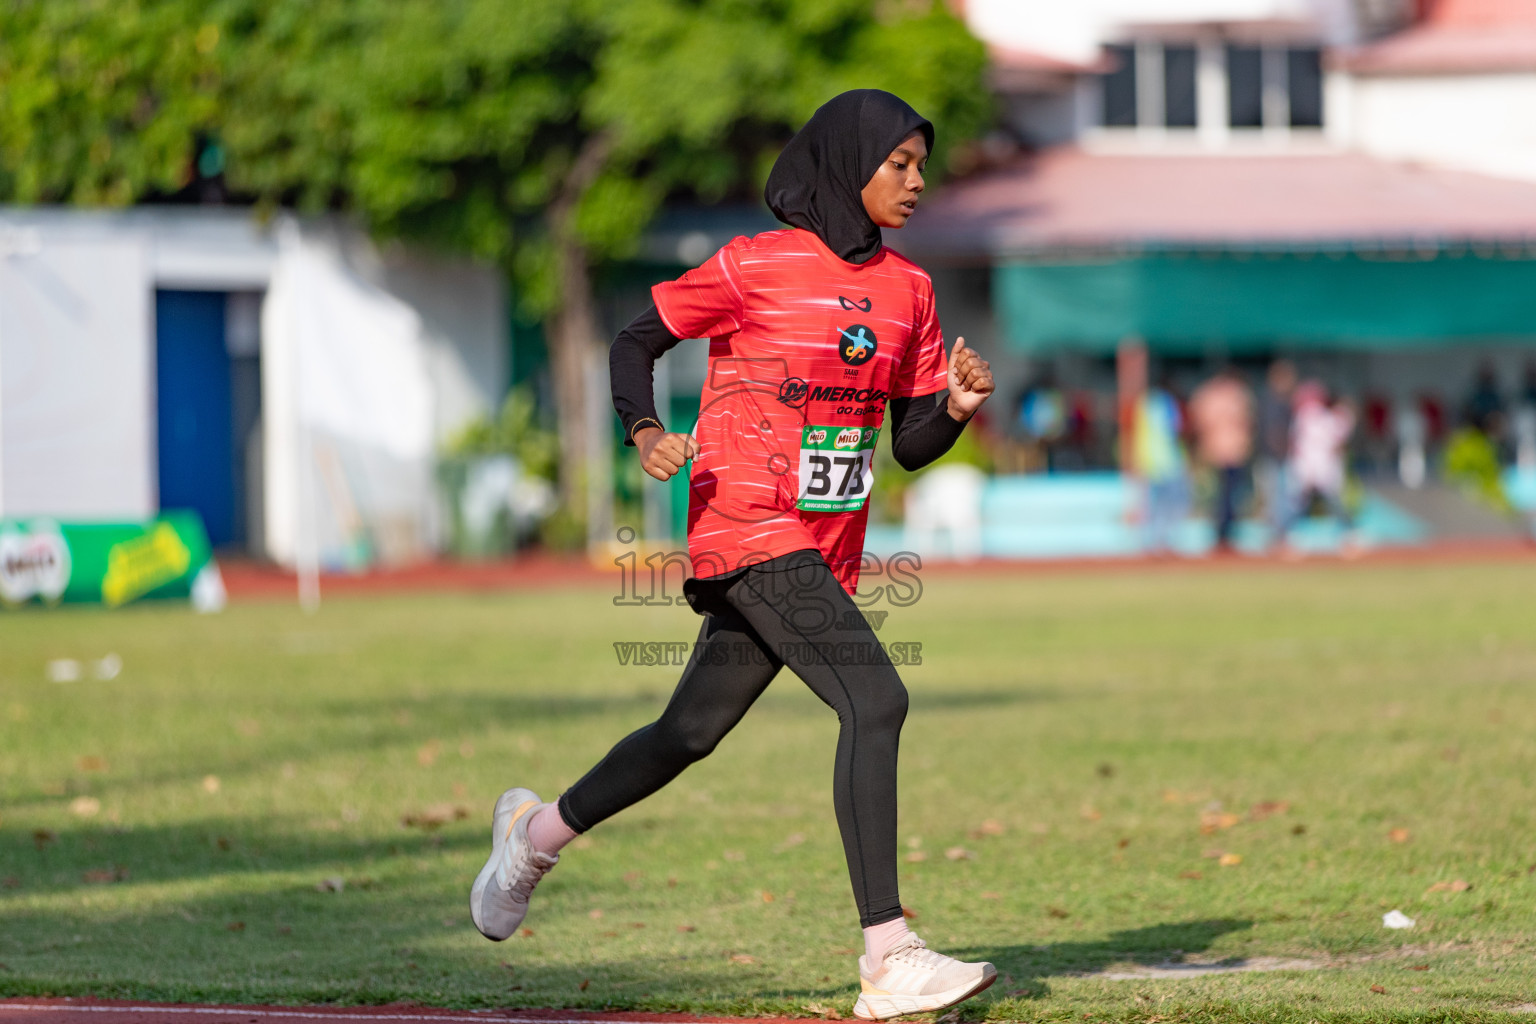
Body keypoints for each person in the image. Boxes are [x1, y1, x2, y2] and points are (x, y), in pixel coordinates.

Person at [470, 90, 998, 1021]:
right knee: (878, 697)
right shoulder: (755, 266)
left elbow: (908, 444)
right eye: (900, 164)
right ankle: (889, 955)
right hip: (744, 522)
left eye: (922, 165)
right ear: (848, 163)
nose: (917, 181)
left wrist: (951, 407)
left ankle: (533, 835)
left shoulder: (911, 290)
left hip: (821, 548)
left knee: (689, 732)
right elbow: (636, 340)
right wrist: (643, 430)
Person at [1282, 382, 1357, 552]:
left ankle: (1348, 534)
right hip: (1309, 466)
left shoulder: (1326, 417)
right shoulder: (1305, 418)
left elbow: (1338, 440)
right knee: (1300, 504)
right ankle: (1289, 536)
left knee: (1331, 502)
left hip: (1321, 467)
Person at [1188, 366, 1254, 553]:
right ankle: (1222, 535)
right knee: (1223, 496)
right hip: (1225, 452)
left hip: (1220, 451)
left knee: (1224, 496)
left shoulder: (1208, 394)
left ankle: (1223, 535)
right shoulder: (1234, 395)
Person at [1130, 375, 1189, 555]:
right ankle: (1164, 541)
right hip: (1168, 462)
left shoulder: (1142, 404)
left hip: (1149, 462)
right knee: (1170, 504)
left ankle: (1152, 541)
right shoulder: (1167, 403)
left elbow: (1137, 434)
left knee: (1153, 505)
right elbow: (1176, 430)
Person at [1255, 360, 1296, 543]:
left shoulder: (1282, 400)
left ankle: (1279, 535)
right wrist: (1283, 449)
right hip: (1273, 458)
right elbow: (1273, 432)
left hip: (1277, 458)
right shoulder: (1271, 401)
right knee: (1274, 499)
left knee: (1283, 498)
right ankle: (1276, 537)